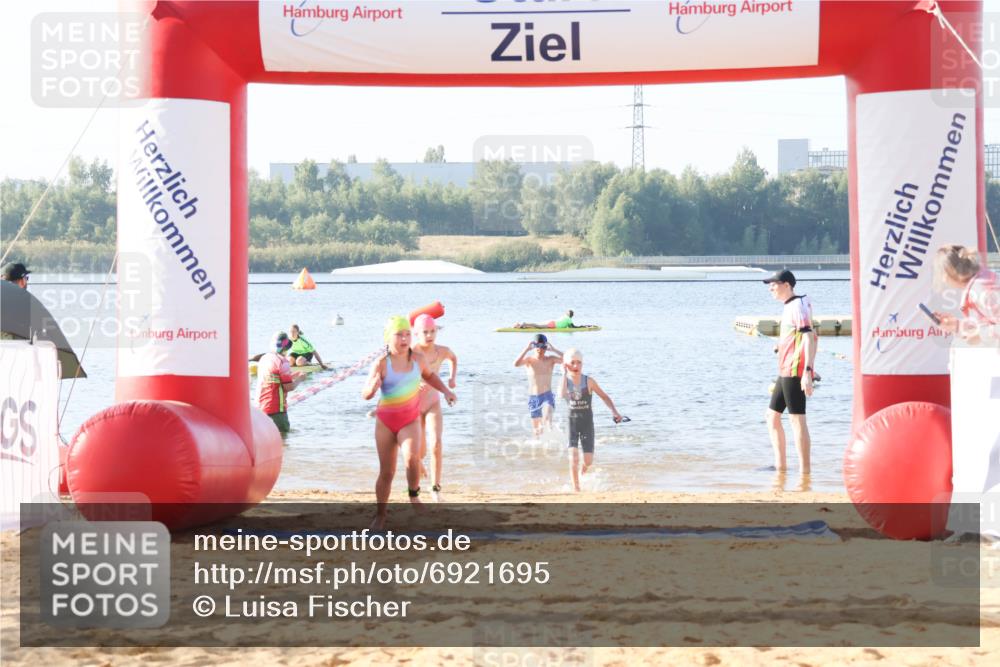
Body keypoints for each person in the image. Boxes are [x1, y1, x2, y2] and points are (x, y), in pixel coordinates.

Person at [362, 315, 457, 529]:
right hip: (386, 421)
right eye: (399, 335)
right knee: (387, 472)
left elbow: (430, 376)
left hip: (409, 420)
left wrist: (446, 391)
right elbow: (365, 394)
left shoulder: (418, 359)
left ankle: (414, 496)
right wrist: (373, 387)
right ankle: (381, 514)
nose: (404, 339)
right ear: (388, 338)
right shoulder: (381, 363)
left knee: (412, 459)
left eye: (406, 334)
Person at [763, 269, 816, 475]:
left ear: (787, 285)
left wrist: (808, 371)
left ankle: (805, 471)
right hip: (785, 368)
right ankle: (781, 466)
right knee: (772, 416)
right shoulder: (790, 306)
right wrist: (781, 345)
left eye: (774, 284)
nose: (771, 288)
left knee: (797, 419)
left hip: (795, 370)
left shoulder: (798, 305)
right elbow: (796, 335)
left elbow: (809, 337)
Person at [560, 348, 622, 492]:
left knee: (588, 461)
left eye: (579, 363)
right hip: (571, 423)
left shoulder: (589, 381)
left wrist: (614, 412)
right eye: (572, 363)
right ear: (566, 364)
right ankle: (576, 488)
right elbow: (561, 394)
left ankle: (581, 475)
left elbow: (605, 397)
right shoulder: (564, 381)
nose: (576, 366)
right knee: (573, 457)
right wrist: (563, 374)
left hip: (587, 423)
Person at [411, 314, 457, 502]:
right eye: (425, 332)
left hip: (432, 403)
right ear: (416, 333)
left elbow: (454, 358)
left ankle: (436, 489)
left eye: (433, 331)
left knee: (436, 443)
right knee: (418, 451)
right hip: (413, 405)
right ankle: (419, 467)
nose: (429, 335)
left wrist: (452, 380)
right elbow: (399, 374)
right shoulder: (412, 351)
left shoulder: (442, 351)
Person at [933, 244, 999, 344]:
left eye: (941, 273)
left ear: (951, 272)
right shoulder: (979, 284)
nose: (943, 279)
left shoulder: (980, 289)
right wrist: (957, 326)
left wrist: (979, 335)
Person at [513, 333, 564, 435]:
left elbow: (568, 359)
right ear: (534, 347)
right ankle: (539, 448)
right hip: (534, 398)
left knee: (546, 422)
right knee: (537, 431)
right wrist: (527, 349)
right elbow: (516, 364)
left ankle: (551, 441)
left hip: (547, 396)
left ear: (546, 347)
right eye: (538, 347)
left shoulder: (551, 359)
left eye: (543, 347)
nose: (540, 349)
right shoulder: (529, 360)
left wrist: (554, 349)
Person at [256, 332, 303, 434]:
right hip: (277, 412)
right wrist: (300, 379)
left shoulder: (265, 358)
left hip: (261, 410)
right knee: (283, 443)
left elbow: (274, 378)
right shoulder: (283, 361)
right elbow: (289, 387)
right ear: (285, 348)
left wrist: (293, 375)